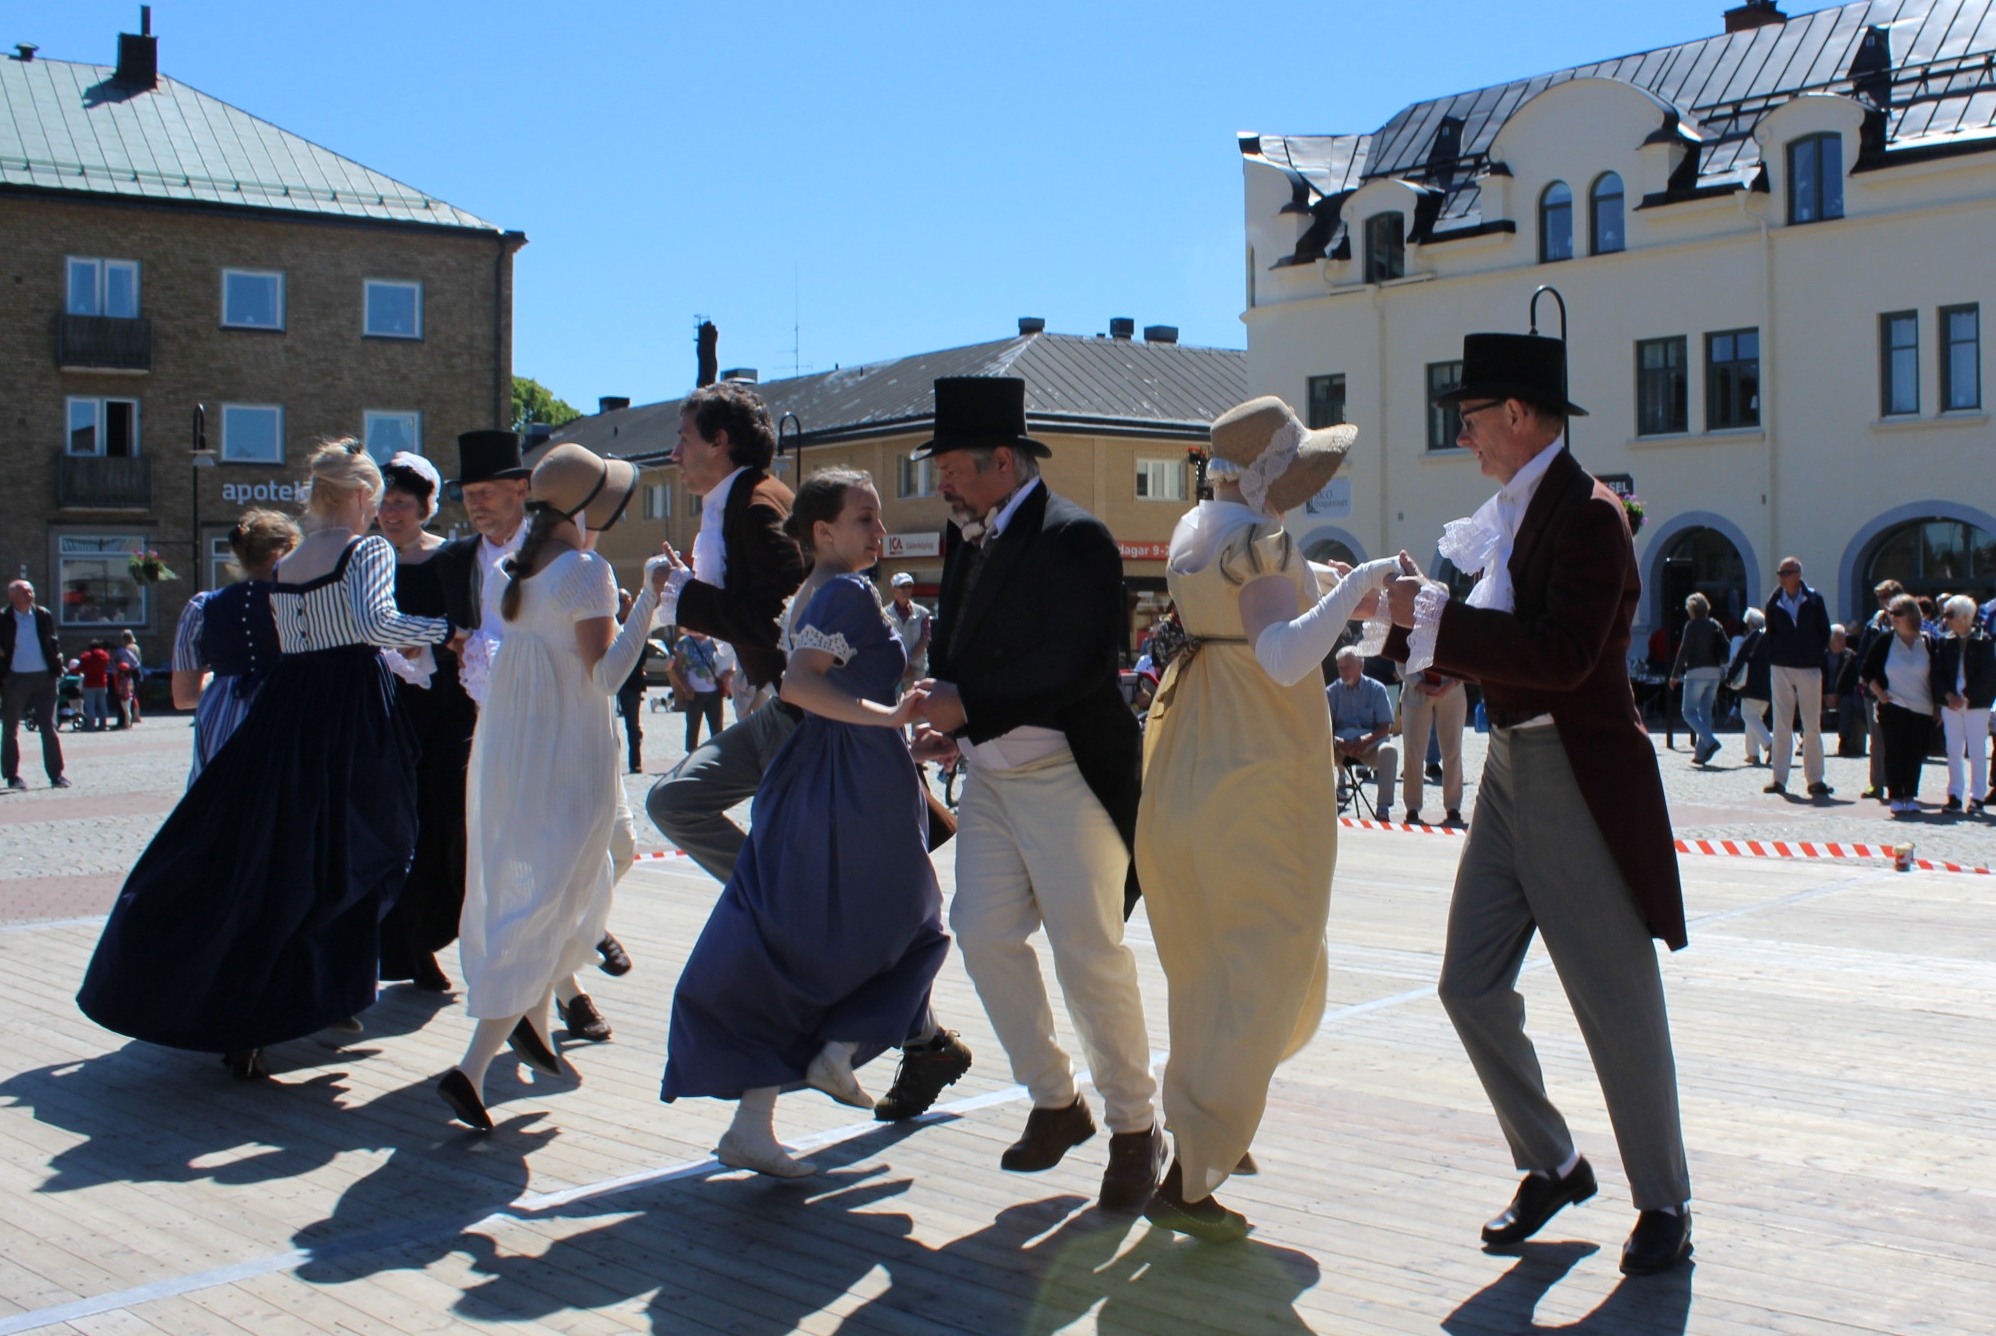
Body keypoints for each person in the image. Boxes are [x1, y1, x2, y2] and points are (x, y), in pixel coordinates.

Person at [1383, 330, 1691, 1275]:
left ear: (1517, 415)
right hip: (1513, 765)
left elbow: (1561, 656)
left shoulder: (1592, 515)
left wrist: (1431, 621)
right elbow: (1505, 643)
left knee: (1614, 999)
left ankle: (1665, 1201)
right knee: (1467, 985)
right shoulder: (1516, 512)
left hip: (1572, 773)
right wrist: (1422, 643)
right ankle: (1553, 1163)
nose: (1463, 436)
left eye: (1472, 418)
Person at [78, 442, 452, 1080]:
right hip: (350, 707)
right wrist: (446, 630)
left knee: (281, 855)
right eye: (375, 498)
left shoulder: (292, 560)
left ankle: (273, 1002)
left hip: (292, 704)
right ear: (362, 494)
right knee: (368, 844)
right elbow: (375, 623)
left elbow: (300, 635)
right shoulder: (367, 550)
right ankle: (316, 991)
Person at [1134, 395, 1398, 1241]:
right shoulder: (1259, 542)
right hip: (1257, 766)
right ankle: (1196, 1166)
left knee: (1208, 960)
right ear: (1267, 474)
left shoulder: (1194, 532)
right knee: (1270, 951)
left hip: (1194, 753)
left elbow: (1265, 622)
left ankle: (1210, 1120)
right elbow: (1283, 658)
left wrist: (1350, 599)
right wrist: (1356, 583)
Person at [911, 376, 1165, 1214]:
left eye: (951, 468)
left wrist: (970, 707)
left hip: (1067, 777)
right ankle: (1056, 1101)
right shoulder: (966, 539)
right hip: (991, 777)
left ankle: (1136, 1129)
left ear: (1002, 461)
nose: (942, 484)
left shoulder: (1076, 536)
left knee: (1089, 955)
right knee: (983, 932)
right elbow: (960, 650)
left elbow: (1083, 663)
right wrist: (956, 724)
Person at [662, 468, 951, 1176]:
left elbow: (824, 689)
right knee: (915, 924)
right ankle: (838, 1052)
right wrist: (890, 717)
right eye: (865, 518)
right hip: (851, 780)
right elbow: (800, 685)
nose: (880, 531)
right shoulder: (846, 591)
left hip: (832, 770)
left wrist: (895, 731)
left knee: (804, 942)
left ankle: (757, 1120)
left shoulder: (817, 591)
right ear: (824, 531)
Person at [437, 442, 649, 1131]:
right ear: (584, 511)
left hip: (515, 749)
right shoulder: (586, 570)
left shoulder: (510, 571)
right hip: (571, 752)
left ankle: (532, 1018)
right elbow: (605, 675)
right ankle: (474, 1067)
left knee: (549, 889)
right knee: (561, 895)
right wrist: (651, 599)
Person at [645, 383, 808, 878]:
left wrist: (682, 594)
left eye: (684, 440)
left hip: (799, 716)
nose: (674, 454)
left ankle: (772, 902)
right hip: (777, 707)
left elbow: (780, 622)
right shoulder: (739, 500)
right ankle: (765, 897)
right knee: (672, 801)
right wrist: (687, 590)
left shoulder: (758, 507)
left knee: (794, 854)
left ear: (719, 442)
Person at [370, 453, 480, 995]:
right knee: (392, 826)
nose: (390, 512)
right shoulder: (367, 559)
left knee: (446, 821)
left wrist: (431, 641)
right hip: (386, 706)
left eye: (401, 503)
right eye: (384, 502)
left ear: (425, 507)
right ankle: (403, 946)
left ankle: (433, 933)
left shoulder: (452, 557)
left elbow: (469, 625)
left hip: (445, 709)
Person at [170, 510, 299, 786]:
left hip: (222, 719)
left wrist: (218, 678)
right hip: (287, 712)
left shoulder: (202, 607)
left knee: (221, 801)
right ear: (285, 552)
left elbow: (184, 696)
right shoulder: (303, 603)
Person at [430, 431, 533, 708]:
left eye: (486, 493)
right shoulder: (453, 558)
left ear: (519, 490)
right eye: (468, 495)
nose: (475, 505)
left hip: (539, 701)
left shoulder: (550, 552)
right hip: (477, 709)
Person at [1860, 594, 1937, 815]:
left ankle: (1910, 796)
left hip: (1922, 706)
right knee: (1893, 750)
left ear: (1911, 614)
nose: (1893, 617)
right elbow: (1866, 671)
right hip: (1893, 705)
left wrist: (1938, 706)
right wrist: (1880, 694)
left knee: (1914, 753)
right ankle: (1895, 795)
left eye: (1898, 613)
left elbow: (1937, 674)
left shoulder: (1928, 642)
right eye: (1890, 613)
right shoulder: (1885, 641)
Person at [1762, 558, 1832, 796]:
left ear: (1798, 574)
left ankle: (1815, 779)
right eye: (1780, 573)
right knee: (1781, 724)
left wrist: (1815, 654)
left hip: (1809, 667)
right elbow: (1770, 632)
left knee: (1811, 725)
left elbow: (1825, 631)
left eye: (1786, 572)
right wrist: (1776, 654)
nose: (1782, 577)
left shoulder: (1814, 599)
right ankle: (1779, 778)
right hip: (1781, 666)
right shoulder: (1774, 601)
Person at [2, 579, 69, 790]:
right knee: (10, 728)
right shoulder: (3, 618)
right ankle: (12, 775)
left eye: (31, 591)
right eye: (24, 592)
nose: (29, 595)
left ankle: (56, 775)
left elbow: (52, 639)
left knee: (49, 727)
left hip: (44, 677)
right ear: (13, 596)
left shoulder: (42, 614)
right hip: (15, 678)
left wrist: (56, 659)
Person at [1934, 595, 1995, 813]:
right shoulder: (1945, 641)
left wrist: (1966, 696)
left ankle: (1977, 797)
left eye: (1951, 615)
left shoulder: (1984, 641)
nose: (1946, 619)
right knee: (1953, 750)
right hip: (1950, 704)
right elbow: (1937, 673)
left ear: (1966, 616)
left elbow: (1989, 675)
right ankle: (1954, 795)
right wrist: (1948, 696)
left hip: (1976, 704)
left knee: (1977, 751)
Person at [1328, 647, 1397, 820]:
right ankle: (1324, 802)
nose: (1343, 672)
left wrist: (1365, 741)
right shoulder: (1331, 692)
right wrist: (1338, 742)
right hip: (1340, 745)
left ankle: (1383, 807)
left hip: (1369, 745)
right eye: (1340, 668)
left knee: (1389, 751)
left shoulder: (1377, 689)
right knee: (1318, 749)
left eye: (1347, 667)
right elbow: (1325, 728)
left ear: (1361, 666)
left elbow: (1385, 727)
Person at [1854, 579, 1904, 794]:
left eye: (1886, 596)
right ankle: (1877, 784)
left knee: (1900, 737)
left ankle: (1900, 784)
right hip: (1874, 688)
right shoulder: (1873, 624)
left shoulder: (1909, 621)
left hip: (1901, 687)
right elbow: (1862, 656)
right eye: (1880, 597)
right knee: (1877, 738)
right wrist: (1867, 680)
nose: (1883, 601)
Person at [1401, 665, 1467, 825]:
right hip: (1415, 692)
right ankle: (1412, 807)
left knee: (1452, 750)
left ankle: (1453, 806)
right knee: (1413, 752)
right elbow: (1399, 661)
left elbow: (1466, 657)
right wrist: (1419, 684)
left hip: (1452, 690)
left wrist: (1451, 683)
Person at [1669, 592, 1728, 766]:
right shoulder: (1715, 624)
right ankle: (1701, 753)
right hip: (1714, 672)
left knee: (1688, 712)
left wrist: (1675, 674)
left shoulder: (1692, 626)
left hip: (1696, 672)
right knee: (1705, 713)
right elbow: (1727, 646)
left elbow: (1684, 651)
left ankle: (1710, 741)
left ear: (1692, 610)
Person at [1727, 608, 1771, 765]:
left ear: (1751, 623)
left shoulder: (1754, 636)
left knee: (1748, 715)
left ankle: (1770, 744)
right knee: (1755, 718)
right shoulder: (1770, 637)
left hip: (1752, 683)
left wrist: (1730, 677)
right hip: (1768, 685)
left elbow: (1740, 657)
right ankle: (1752, 753)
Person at [614, 589, 650, 774]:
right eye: (621, 600)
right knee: (608, 725)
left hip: (631, 681)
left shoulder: (636, 624)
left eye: (627, 600)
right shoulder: (608, 623)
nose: (625, 603)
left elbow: (642, 653)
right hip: (611, 679)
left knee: (632, 726)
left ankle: (635, 762)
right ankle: (611, 763)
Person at [674, 628, 726, 753]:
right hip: (694, 692)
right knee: (693, 726)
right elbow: (677, 667)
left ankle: (717, 754)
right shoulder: (684, 643)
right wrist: (686, 686)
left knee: (717, 728)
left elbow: (724, 663)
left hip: (714, 691)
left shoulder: (714, 642)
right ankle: (691, 754)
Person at [1825, 625, 1866, 759]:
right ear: (1830, 640)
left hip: (1842, 694)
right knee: (1809, 701)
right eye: (1839, 639)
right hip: (1822, 693)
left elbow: (1852, 681)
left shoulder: (1850, 657)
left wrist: (1837, 695)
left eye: (1844, 638)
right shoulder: (1820, 655)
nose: (1843, 642)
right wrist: (1824, 695)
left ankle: (1845, 741)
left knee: (1847, 702)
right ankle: (1806, 740)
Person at [886, 572, 932, 689]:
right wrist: (902, 665)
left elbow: (925, 639)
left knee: (917, 699)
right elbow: (883, 642)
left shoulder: (923, 613)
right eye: (903, 587)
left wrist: (909, 660)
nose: (906, 590)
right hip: (893, 670)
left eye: (909, 586)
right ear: (894, 590)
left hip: (917, 671)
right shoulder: (884, 614)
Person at [77, 640, 114, 732]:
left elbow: (80, 668)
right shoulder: (105, 656)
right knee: (102, 704)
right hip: (102, 683)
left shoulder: (86, 656)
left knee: (90, 706)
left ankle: (91, 726)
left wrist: (73, 670)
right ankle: (103, 725)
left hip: (89, 683)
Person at [112, 630, 143, 727]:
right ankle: (133, 718)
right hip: (136, 671)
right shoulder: (136, 647)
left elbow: (126, 663)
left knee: (126, 696)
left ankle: (126, 720)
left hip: (128, 672)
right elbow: (139, 660)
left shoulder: (127, 648)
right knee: (133, 696)